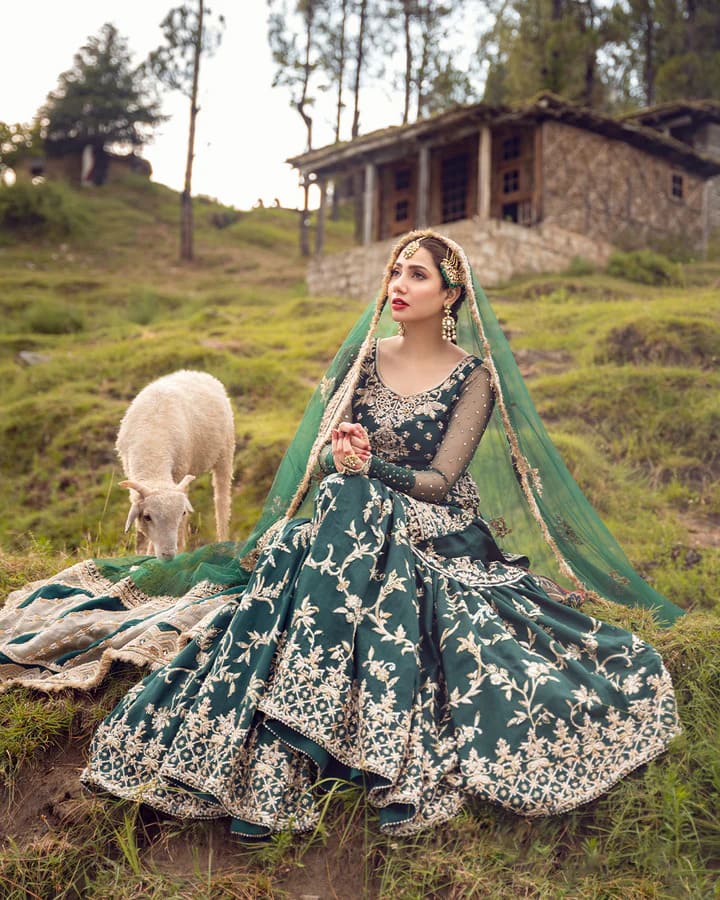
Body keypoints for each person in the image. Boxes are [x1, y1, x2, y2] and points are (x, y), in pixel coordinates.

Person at [0, 230, 682, 836]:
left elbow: (442, 482)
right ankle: (305, 733)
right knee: (313, 524)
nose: (398, 285)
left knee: (343, 512)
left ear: (452, 294)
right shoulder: (363, 359)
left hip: (432, 522)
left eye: (416, 274)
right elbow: (323, 458)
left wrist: (371, 466)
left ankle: (289, 748)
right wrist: (343, 455)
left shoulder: (473, 379)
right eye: (395, 272)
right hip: (346, 512)